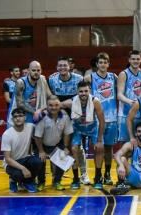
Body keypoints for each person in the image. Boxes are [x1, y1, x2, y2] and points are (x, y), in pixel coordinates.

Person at [48, 56, 91, 185]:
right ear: (57, 68)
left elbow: (84, 96)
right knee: (56, 147)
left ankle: (83, 174)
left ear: (70, 66)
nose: (62, 68)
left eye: (65, 65)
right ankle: (56, 177)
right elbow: (50, 98)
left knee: (78, 147)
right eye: (60, 65)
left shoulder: (78, 79)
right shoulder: (51, 79)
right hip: (58, 118)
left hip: (75, 118)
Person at [61, 81, 105, 189]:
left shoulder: (95, 101)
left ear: (89, 91)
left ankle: (98, 177)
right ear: (77, 92)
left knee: (99, 149)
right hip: (78, 128)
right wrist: (63, 110)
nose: (83, 93)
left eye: (86, 91)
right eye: (81, 91)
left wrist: (99, 140)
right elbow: (57, 104)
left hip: (93, 128)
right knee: (74, 148)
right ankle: (76, 178)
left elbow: (102, 121)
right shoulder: (72, 102)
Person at [84, 52, 118, 185]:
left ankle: (107, 174)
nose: (103, 65)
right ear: (97, 64)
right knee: (98, 148)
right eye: (101, 62)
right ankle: (97, 175)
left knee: (109, 148)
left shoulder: (113, 77)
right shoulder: (90, 78)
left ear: (108, 64)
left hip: (112, 118)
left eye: (105, 62)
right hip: (97, 119)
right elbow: (78, 86)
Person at [34, 95, 73, 191]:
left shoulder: (65, 117)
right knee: (40, 160)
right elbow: (37, 136)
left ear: (60, 106)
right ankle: (41, 182)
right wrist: (41, 151)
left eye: (56, 105)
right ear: (47, 106)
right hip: (41, 145)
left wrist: (65, 147)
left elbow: (67, 134)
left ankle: (57, 182)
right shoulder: (42, 118)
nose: (54, 108)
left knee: (64, 157)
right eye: (51, 105)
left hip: (56, 144)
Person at [1, 108, 42, 193]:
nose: (18, 118)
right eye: (15, 117)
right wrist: (23, 168)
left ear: (25, 117)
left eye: (20, 116)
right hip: (11, 163)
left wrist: (61, 111)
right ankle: (13, 181)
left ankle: (26, 183)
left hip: (25, 158)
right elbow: (8, 159)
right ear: (12, 119)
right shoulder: (7, 135)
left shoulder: (30, 127)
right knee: (18, 174)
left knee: (37, 161)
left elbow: (42, 118)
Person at [7, 61, 51, 128]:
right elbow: (20, 104)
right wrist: (36, 113)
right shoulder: (21, 82)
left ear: (41, 70)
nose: (36, 72)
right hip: (20, 114)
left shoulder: (42, 80)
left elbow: (50, 96)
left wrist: (41, 110)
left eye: (38, 70)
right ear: (29, 71)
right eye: (33, 70)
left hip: (35, 114)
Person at [117, 50, 141, 143]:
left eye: (138, 59)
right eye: (133, 59)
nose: (135, 61)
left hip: (140, 115)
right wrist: (130, 101)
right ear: (129, 60)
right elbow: (119, 94)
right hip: (125, 115)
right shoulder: (123, 74)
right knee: (125, 145)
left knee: (139, 144)